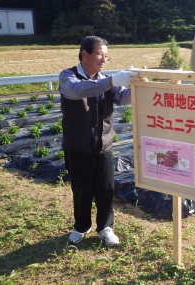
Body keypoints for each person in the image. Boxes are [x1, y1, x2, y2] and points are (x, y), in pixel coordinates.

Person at [59, 36, 139, 247]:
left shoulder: (105, 79)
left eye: (106, 56)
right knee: (82, 190)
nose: (104, 59)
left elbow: (124, 98)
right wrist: (112, 80)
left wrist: (138, 84)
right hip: (78, 146)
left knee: (105, 189)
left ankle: (105, 227)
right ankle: (81, 227)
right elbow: (78, 91)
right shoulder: (68, 77)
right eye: (100, 54)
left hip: (103, 145)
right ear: (84, 53)